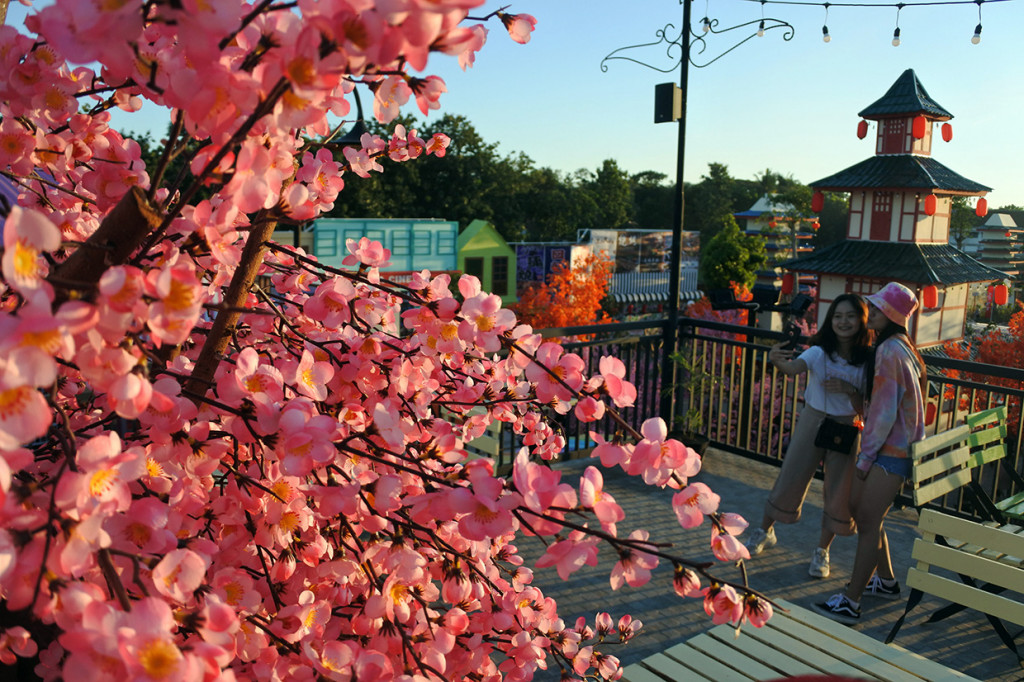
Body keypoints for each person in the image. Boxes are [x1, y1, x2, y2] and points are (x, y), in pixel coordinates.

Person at [816, 282, 927, 624]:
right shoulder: (902, 346)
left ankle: (851, 601)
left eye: (876, 310)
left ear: (891, 314)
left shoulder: (888, 352)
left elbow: (882, 412)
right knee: (867, 516)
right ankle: (888, 582)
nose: (870, 315)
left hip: (889, 453)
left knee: (866, 521)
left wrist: (865, 459)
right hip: (900, 450)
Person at [745, 293, 872, 579]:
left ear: (862, 320)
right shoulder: (819, 352)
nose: (843, 322)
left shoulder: (868, 360)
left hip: (846, 426)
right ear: (830, 320)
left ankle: (821, 551)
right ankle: (764, 531)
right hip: (813, 420)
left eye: (850, 316)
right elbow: (792, 369)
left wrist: (850, 391)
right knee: (791, 476)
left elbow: (867, 406)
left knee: (839, 491)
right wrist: (776, 360)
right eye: (838, 316)